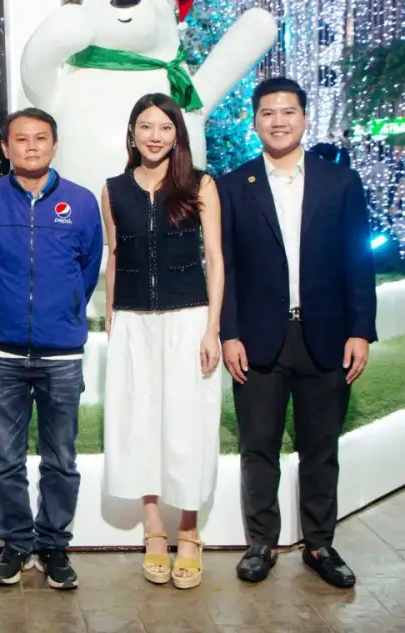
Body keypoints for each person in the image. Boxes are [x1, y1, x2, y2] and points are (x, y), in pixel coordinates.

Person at [220, 77, 377, 589]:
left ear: (304, 118)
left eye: (288, 111)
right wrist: (229, 333)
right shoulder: (234, 185)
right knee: (258, 445)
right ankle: (261, 543)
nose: (279, 121)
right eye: (268, 112)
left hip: (327, 336)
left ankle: (319, 543)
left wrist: (360, 329)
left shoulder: (340, 182)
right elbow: (226, 267)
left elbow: (358, 260)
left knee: (321, 447)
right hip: (258, 339)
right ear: (255, 121)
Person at [0, 108, 101, 590]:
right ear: (5, 148)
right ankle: (17, 544)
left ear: (54, 145)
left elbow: (88, 267)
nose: (32, 146)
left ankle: (54, 545)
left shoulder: (81, 202)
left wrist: (65, 308)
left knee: (61, 458)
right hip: (2, 353)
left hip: (62, 354)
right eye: (21, 139)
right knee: (6, 459)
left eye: (41, 138)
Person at [101, 93, 224, 590]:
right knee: (139, 420)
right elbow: (114, 254)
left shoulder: (200, 184)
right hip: (133, 320)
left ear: (178, 135)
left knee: (188, 421)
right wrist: (112, 317)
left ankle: (188, 530)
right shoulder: (112, 189)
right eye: (146, 126)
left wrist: (213, 327)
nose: (155, 136)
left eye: (165, 127)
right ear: (132, 132)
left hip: (188, 317)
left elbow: (215, 257)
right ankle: (153, 527)